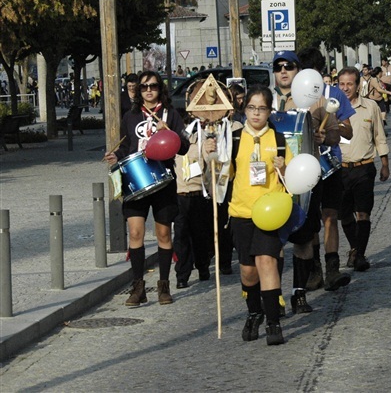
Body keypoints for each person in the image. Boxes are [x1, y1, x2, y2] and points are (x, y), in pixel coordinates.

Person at [206, 85, 291, 345]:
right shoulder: (232, 140)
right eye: (252, 107)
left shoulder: (278, 140)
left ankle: (274, 323)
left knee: (268, 262)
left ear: (269, 111)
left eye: (262, 108)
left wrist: (284, 167)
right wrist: (210, 154)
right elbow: (220, 177)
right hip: (241, 213)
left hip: (270, 212)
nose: (256, 113)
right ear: (244, 110)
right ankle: (255, 313)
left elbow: (293, 179)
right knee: (248, 272)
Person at [104, 71, 190, 306]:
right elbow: (127, 146)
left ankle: (163, 286)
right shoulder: (130, 116)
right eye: (144, 87)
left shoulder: (170, 114)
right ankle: (138, 287)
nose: (149, 90)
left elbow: (183, 147)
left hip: (163, 180)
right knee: (135, 233)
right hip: (137, 179)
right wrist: (115, 156)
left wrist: (168, 133)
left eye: (153, 86)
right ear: (138, 91)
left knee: (163, 234)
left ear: (160, 88)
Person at [295, 47, 355, 292]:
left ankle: (332, 269)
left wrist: (332, 129)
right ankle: (314, 270)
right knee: (310, 222)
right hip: (303, 166)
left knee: (330, 216)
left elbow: (349, 131)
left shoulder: (335, 94)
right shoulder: (295, 96)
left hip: (330, 164)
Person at [337, 67, 390, 271]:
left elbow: (379, 136)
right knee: (345, 215)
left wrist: (385, 163)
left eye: (350, 84)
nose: (346, 88)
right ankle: (354, 246)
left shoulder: (370, 107)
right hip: (340, 170)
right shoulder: (332, 110)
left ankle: (360, 254)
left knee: (363, 213)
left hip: (364, 167)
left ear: (358, 85)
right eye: (342, 84)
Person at [173, 126, 213, 289]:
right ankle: (182, 275)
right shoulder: (173, 143)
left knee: (200, 235)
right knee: (181, 237)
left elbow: (209, 166)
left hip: (198, 194)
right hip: (179, 194)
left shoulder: (202, 141)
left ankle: (203, 267)